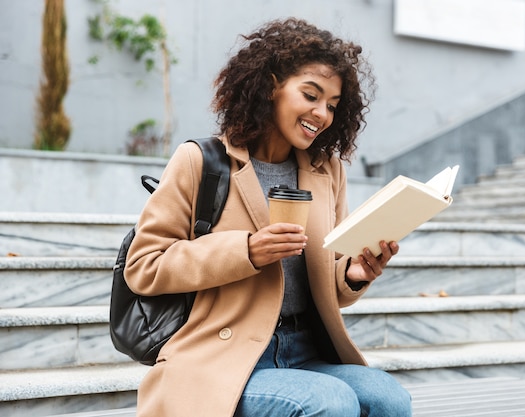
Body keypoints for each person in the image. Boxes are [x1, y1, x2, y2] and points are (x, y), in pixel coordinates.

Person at [125, 17, 412, 417]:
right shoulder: (201, 161)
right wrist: (246, 251)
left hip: (306, 350)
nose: (322, 113)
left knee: (389, 399)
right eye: (310, 95)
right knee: (331, 404)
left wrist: (352, 275)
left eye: (332, 104)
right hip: (222, 355)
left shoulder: (327, 171)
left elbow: (324, 274)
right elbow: (144, 267)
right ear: (272, 85)